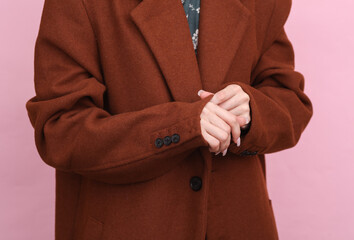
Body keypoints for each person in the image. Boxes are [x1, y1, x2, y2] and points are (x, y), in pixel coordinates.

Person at [25, 0, 313, 239]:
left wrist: (252, 109)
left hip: (237, 223)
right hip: (128, 225)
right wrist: (184, 125)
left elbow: (291, 103)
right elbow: (60, 129)